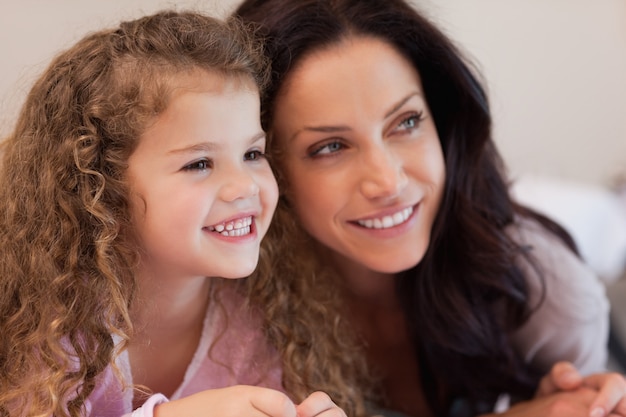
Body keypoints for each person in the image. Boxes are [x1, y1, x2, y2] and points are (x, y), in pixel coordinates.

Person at [233, 0, 626, 416]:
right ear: (267, 165)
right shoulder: (232, 309)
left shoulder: (543, 290)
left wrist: (563, 401)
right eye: (330, 147)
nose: (389, 182)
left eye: (405, 122)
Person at [0, 10, 357, 417]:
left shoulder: (264, 324)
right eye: (199, 163)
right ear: (103, 187)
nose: (245, 186)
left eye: (252, 154)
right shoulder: (47, 324)